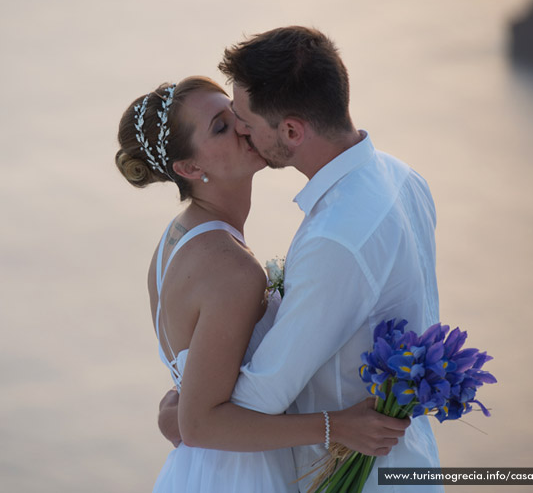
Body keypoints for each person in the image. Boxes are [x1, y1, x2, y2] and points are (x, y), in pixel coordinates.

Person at [158, 27, 444, 492]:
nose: (241, 129)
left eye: (245, 119)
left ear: (290, 130)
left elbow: (260, 398)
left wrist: (186, 411)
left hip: (366, 478)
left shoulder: (336, 237)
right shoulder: (402, 176)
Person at [116, 76, 410, 493]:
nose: (241, 126)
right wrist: (339, 427)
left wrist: (177, 406)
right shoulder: (232, 270)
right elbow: (199, 424)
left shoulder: (175, 239)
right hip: (240, 475)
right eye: (220, 126)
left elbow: (196, 378)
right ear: (190, 168)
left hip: (201, 470)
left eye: (234, 113)